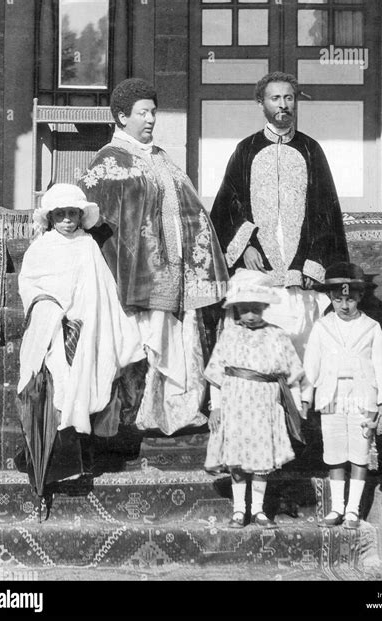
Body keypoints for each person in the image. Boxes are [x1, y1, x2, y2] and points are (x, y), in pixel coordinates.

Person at [78, 78, 228, 436]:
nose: (151, 119)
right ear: (121, 116)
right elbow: (96, 218)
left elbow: (190, 207)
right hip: (139, 275)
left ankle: (176, 411)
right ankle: (136, 418)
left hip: (180, 270)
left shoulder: (161, 157)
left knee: (182, 339)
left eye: (153, 112)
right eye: (143, 113)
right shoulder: (108, 161)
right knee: (147, 341)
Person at [210, 72, 349, 360]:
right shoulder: (246, 150)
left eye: (289, 97)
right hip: (258, 272)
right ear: (261, 103)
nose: (283, 104)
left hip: (301, 272)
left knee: (303, 349)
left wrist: (314, 263)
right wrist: (245, 246)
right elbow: (227, 207)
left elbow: (325, 211)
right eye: (275, 98)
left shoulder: (311, 149)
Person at [17, 184, 145, 492]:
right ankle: (56, 462)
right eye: (59, 215)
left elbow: (100, 288)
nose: (66, 221)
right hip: (52, 327)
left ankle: (84, 457)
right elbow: (30, 286)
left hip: (86, 325)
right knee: (57, 384)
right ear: (50, 218)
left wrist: (92, 320)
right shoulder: (42, 247)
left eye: (72, 214)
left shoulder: (88, 246)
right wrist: (50, 311)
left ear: (80, 215)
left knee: (88, 382)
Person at [204, 269, 308, 528]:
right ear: (237, 309)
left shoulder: (277, 335)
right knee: (238, 459)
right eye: (244, 309)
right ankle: (239, 510)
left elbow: (292, 375)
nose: (250, 315)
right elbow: (216, 375)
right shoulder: (229, 335)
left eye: (255, 309)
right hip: (235, 406)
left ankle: (258, 510)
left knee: (262, 459)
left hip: (265, 407)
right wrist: (215, 408)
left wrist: (297, 405)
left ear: (264, 306)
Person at [302, 262, 382, 529]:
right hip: (332, 397)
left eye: (350, 299)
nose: (344, 305)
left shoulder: (372, 327)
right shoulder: (322, 327)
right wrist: (306, 397)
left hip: (363, 397)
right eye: (338, 299)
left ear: (360, 297)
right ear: (330, 297)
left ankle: (353, 510)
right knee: (335, 453)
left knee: (360, 453)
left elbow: (380, 367)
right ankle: (337, 507)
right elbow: (311, 365)